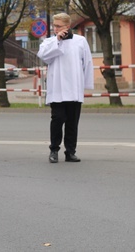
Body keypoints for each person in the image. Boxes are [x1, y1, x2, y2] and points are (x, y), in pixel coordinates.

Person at [37, 12, 93, 163]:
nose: (55, 29)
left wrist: (86, 84)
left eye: (59, 26)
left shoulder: (80, 41)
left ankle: (70, 151)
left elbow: (87, 62)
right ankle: (54, 150)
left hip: (74, 87)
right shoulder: (49, 41)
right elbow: (43, 56)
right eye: (54, 26)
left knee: (72, 122)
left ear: (68, 26)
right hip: (58, 88)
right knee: (58, 118)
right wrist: (58, 40)